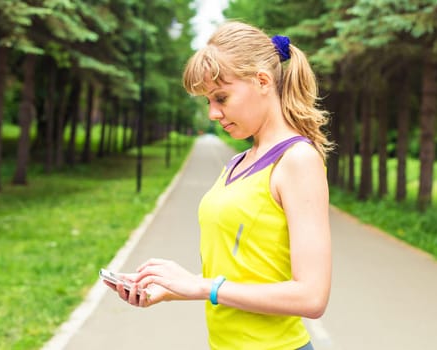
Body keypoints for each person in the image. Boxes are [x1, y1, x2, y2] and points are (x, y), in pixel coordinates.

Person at [104, 20, 333, 350]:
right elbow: (244, 275)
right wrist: (172, 289)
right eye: (208, 101)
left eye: (221, 98)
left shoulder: (297, 160)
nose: (212, 113)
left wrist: (203, 287)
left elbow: (311, 296)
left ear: (263, 81)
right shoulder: (237, 163)